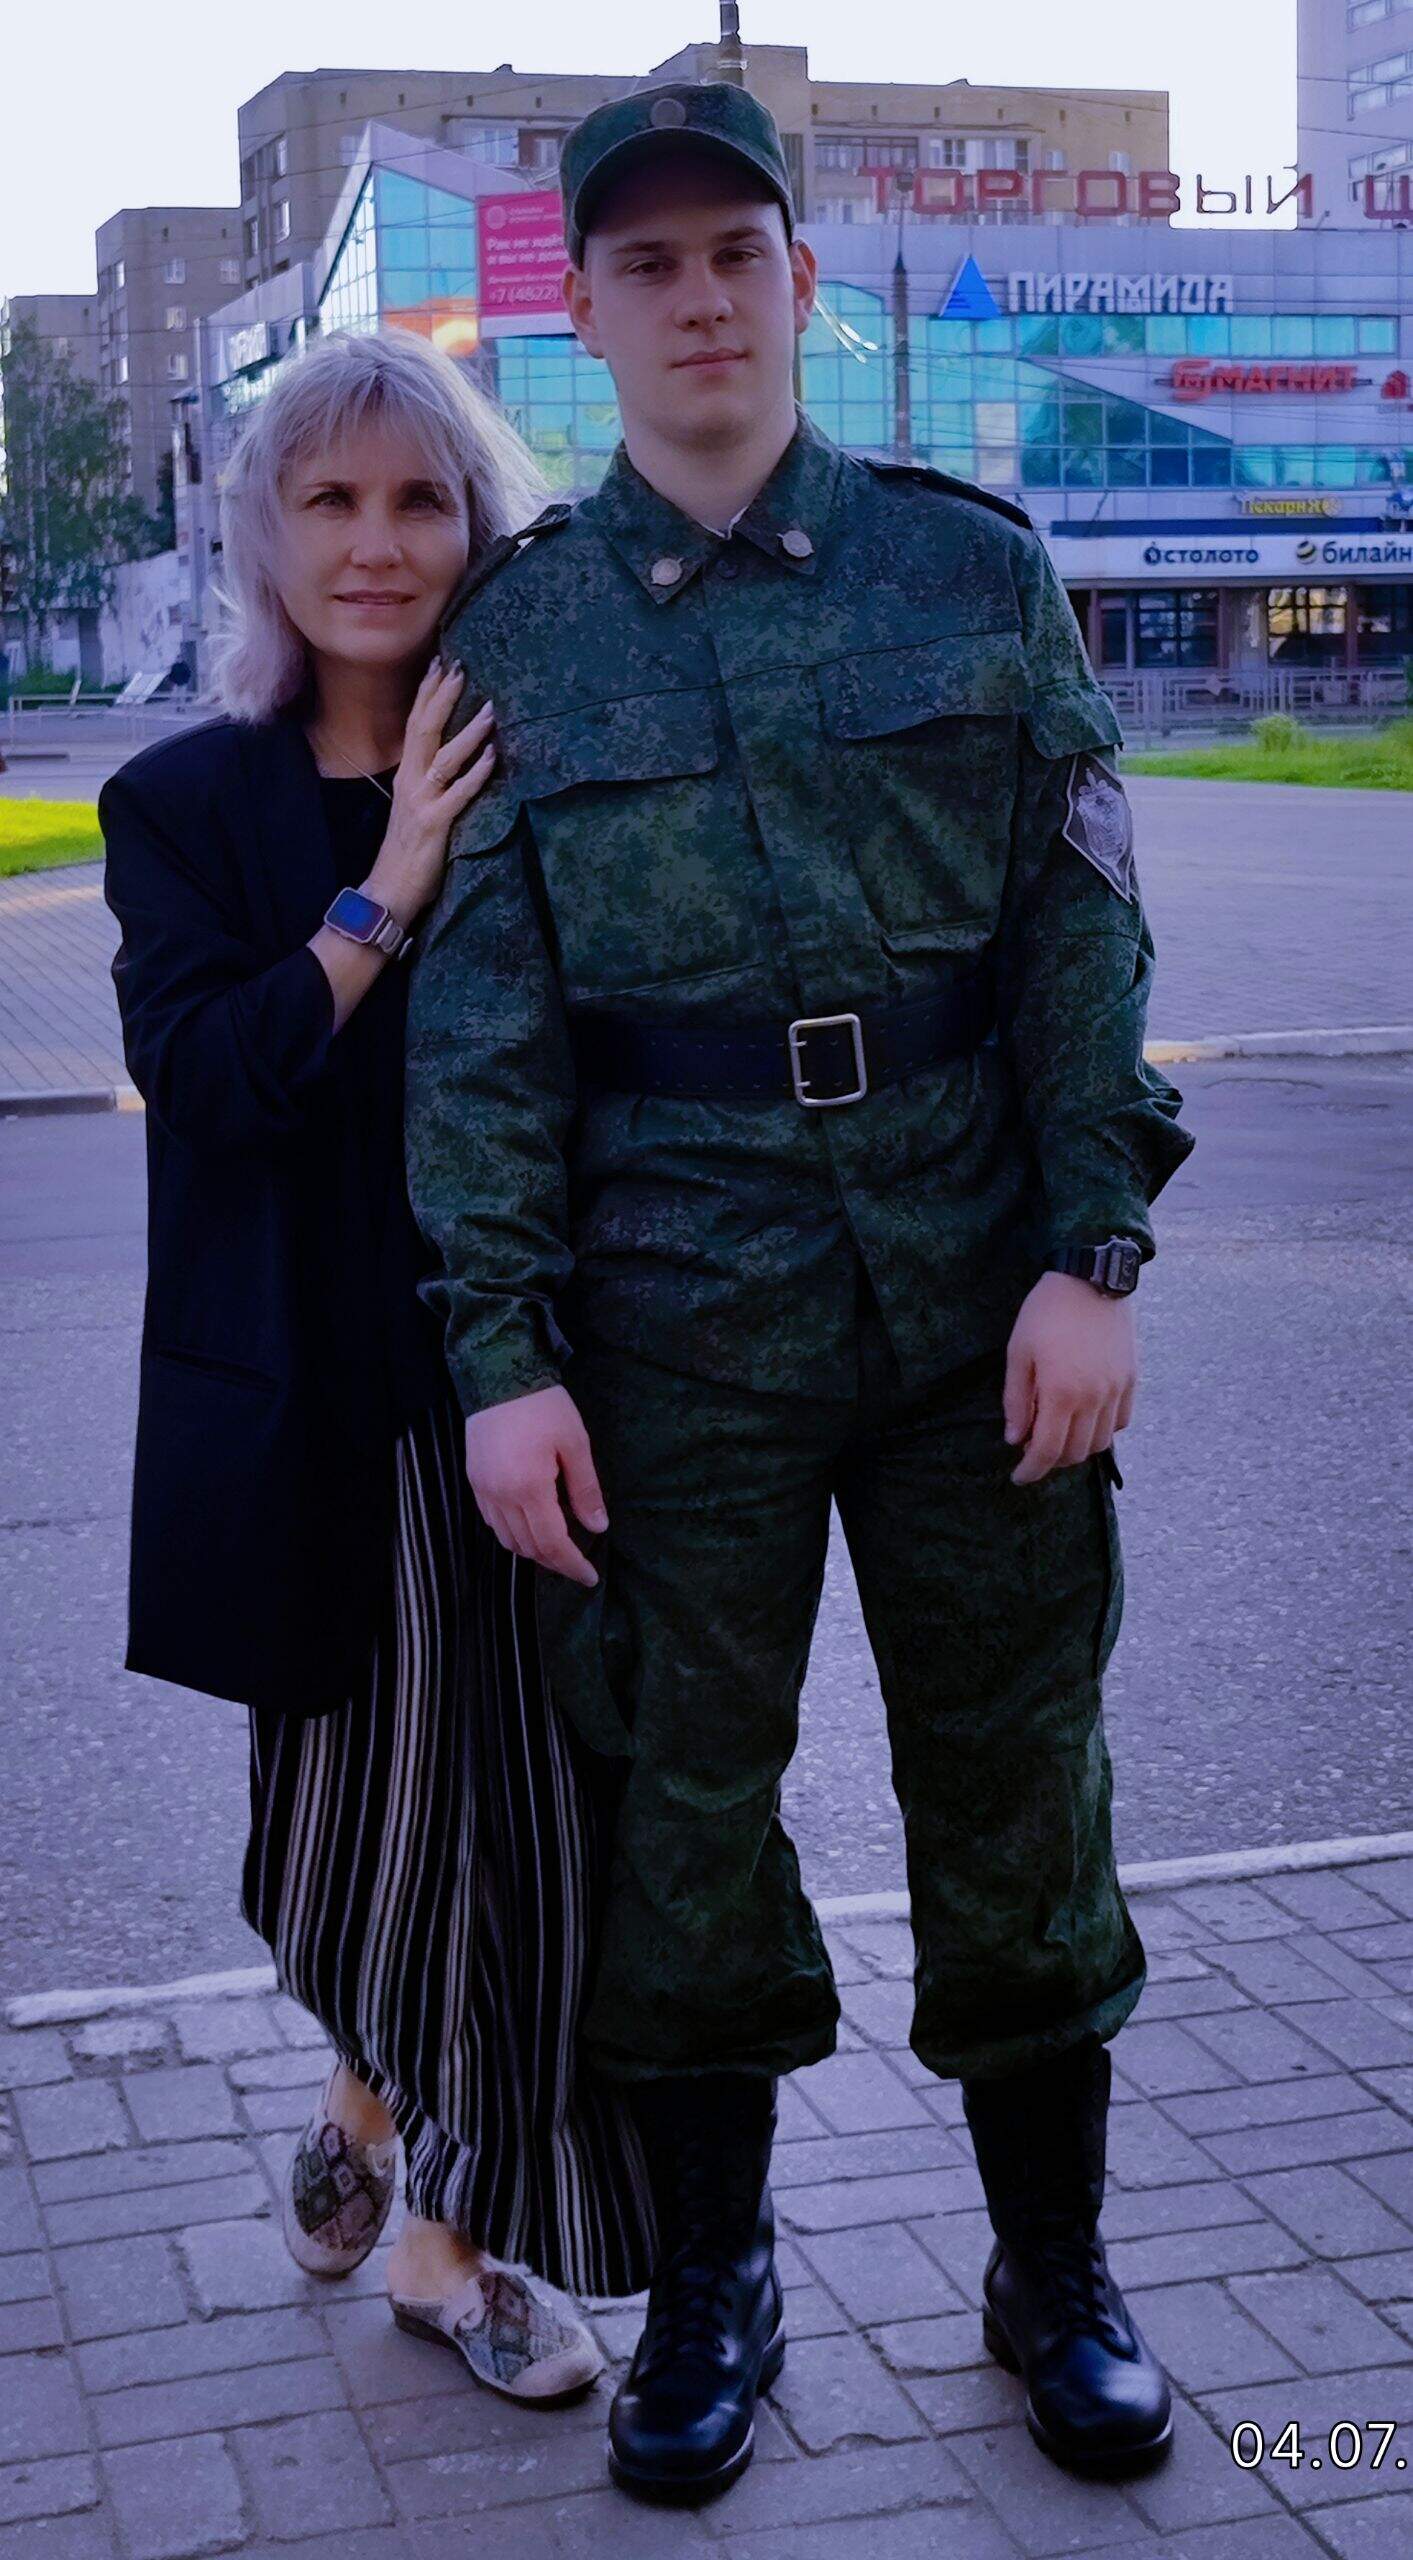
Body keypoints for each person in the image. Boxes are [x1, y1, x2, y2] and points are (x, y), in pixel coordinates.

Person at [405, 83, 1195, 2501]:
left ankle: (1049, 2267)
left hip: (973, 1294)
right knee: (678, 1797)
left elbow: (1079, 929)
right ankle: (713, 2278)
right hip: (675, 1319)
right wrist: (503, 1354)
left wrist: (1088, 1251)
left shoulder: (969, 575)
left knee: (1016, 1773)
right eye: (642, 264)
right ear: (581, 311)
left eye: (733, 252)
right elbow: (484, 1033)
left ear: (801, 281)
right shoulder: (520, 632)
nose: (697, 299)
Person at [100, 329, 655, 2406]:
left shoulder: (545, 773)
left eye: (420, 498)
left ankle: (447, 2237)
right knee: (362, 1832)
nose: (375, 541)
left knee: (527, 1835)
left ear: (475, 527)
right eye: (327, 498)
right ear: (261, 533)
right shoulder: (180, 806)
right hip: (312, 1420)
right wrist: (385, 888)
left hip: (528, 1387)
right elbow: (208, 1080)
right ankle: (360, 2088)